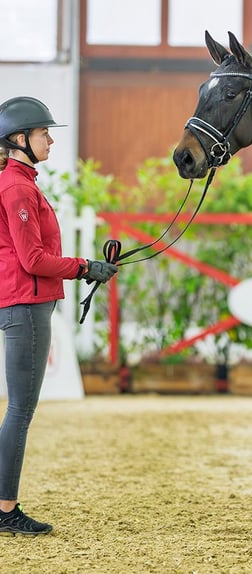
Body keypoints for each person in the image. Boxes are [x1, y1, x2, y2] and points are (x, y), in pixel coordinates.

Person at [0, 96, 118, 536]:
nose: (50, 139)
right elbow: (33, 258)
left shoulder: (23, 183)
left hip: (26, 303)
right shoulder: (16, 188)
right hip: (25, 306)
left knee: (19, 410)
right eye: (43, 132)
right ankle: (5, 508)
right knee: (20, 410)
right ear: (19, 139)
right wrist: (85, 267)